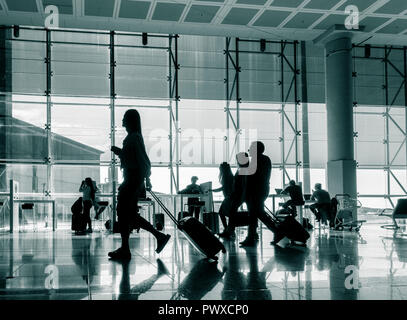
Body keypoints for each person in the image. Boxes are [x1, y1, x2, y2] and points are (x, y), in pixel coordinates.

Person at [108, 109, 171, 261]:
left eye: (124, 118)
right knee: (127, 214)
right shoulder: (133, 137)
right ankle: (155, 237)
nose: (122, 120)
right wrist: (120, 152)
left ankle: (128, 248)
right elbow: (136, 159)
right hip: (132, 179)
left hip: (132, 180)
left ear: (130, 120)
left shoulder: (134, 138)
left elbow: (143, 162)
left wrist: (145, 179)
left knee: (124, 213)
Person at [240, 141, 272, 247]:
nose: (249, 150)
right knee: (257, 213)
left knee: (254, 214)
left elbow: (249, 177)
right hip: (261, 190)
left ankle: (251, 236)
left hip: (255, 191)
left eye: (250, 148)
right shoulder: (264, 159)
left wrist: (244, 165)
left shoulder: (257, 160)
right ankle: (252, 235)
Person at [218, 152, 249, 239]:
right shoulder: (243, 170)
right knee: (231, 213)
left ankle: (229, 230)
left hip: (236, 195)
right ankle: (229, 230)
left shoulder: (242, 171)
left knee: (231, 213)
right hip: (235, 195)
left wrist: (236, 195)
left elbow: (242, 185)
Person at [210, 162, 234, 232]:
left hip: (228, 198)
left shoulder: (225, 177)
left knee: (222, 213)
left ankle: (227, 228)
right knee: (229, 214)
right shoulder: (230, 176)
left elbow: (223, 188)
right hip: (230, 197)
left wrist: (213, 190)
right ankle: (229, 228)